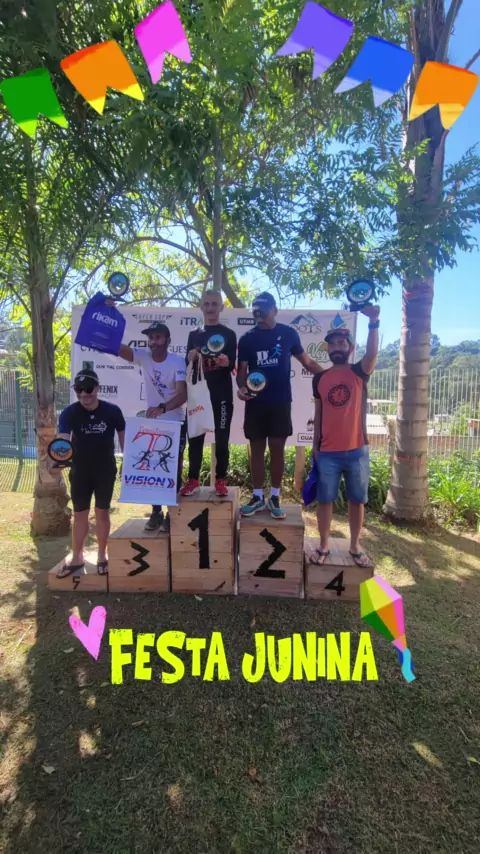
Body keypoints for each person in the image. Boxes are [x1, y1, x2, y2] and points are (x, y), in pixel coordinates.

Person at [237, 291, 325, 519]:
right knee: (256, 449)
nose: (260, 316)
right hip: (255, 403)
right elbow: (241, 372)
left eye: (264, 311)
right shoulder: (247, 338)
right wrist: (242, 388)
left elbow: (307, 362)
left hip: (280, 402)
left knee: (277, 448)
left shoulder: (288, 334)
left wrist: (329, 377)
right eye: (256, 312)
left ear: (275, 310)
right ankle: (257, 496)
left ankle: (275, 497)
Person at [310, 305, 381, 568]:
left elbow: (372, 354)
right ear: (328, 349)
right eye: (333, 344)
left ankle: (355, 546)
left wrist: (374, 322)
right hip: (327, 452)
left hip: (357, 451)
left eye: (342, 343)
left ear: (350, 347)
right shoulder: (320, 379)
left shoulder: (360, 372)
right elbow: (318, 413)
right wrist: (315, 444)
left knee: (356, 501)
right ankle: (323, 545)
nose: (337, 347)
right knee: (325, 500)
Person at [117, 322, 187, 531]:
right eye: (151, 338)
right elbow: (120, 349)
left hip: (175, 423)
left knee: (172, 469)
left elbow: (183, 394)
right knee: (153, 468)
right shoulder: (144, 357)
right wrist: (106, 326)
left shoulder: (177, 361)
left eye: (158, 337)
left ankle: (171, 514)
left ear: (167, 340)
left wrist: (163, 408)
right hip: (153, 424)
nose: (153, 342)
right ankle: (156, 512)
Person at [55, 369, 125, 578]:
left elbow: (125, 441)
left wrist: (129, 463)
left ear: (97, 388)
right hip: (80, 471)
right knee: (80, 514)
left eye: (88, 390)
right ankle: (77, 557)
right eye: (79, 391)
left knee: (102, 512)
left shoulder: (113, 411)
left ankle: (102, 555)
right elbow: (63, 442)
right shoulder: (69, 413)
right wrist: (60, 459)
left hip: (105, 470)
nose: (84, 395)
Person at [181, 290, 237, 497]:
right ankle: (193, 480)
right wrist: (190, 357)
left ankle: (221, 480)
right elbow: (187, 362)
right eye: (207, 304)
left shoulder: (229, 334)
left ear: (221, 307)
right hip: (199, 395)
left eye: (215, 304)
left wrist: (227, 362)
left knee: (222, 438)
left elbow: (232, 363)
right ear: (201, 307)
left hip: (221, 395)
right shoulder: (194, 334)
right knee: (195, 437)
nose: (211, 308)